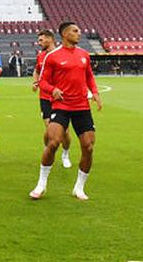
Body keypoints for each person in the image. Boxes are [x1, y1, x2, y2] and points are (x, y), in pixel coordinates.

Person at [31, 22, 101, 201]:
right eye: (75, 31)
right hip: (61, 106)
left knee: (89, 147)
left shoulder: (84, 55)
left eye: (79, 30)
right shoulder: (52, 56)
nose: (79, 33)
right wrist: (52, 90)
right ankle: (41, 184)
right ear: (64, 34)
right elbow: (43, 82)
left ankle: (79, 187)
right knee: (53, 142)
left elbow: (89, 77)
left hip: (82, 107)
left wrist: (96, 93)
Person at [32, 29, 72, 169]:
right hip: (45, 97)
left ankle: (65, 153)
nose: (39, 42)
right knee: (50, 130)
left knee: (65, 132)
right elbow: (37, 71)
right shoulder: (41, 56)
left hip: (61, 98)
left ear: (50, 39)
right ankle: (48, 151)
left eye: (41, 40)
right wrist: (35, 82)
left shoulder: (62, 54)